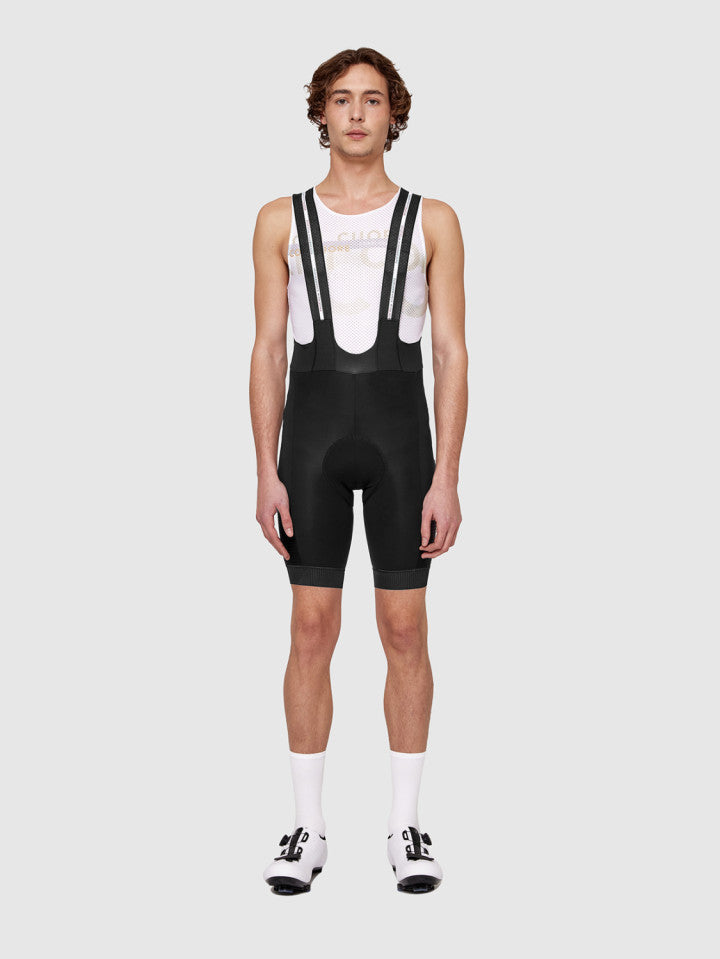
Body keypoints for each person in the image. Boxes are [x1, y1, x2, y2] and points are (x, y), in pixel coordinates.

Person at [250, 47, 468, 894]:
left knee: (405, 631)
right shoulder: (279, 218)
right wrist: (264, 469)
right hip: (308, 440)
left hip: (400, 441)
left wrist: (447, 476)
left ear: (393, 114)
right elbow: (269, 347)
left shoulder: (433, 219)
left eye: (372, 100)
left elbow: (449, 352)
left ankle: (406, 825)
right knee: (310, 629)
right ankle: (306, 830)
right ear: (321, 112)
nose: (355, 114)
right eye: (341, 99)